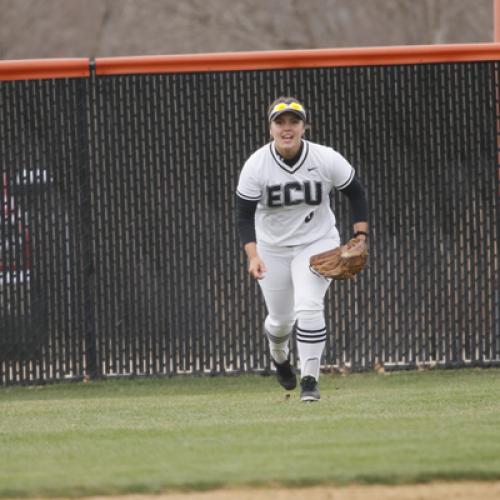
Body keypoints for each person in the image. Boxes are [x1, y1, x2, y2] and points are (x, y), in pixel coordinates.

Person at [236, 96, 368, 402]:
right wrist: (253, 254)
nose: (287, 128)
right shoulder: (256, 165)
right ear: (270, 128)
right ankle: (279, 357)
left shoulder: (324, 158)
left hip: (316, 241)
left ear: (303, 126)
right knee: (281, 321)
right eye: (279, 122)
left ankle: (310, 381)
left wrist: (360, 234)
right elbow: (243, 215)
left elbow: (356, 192)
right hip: (273, 248)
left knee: (308, 306)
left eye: (293, 121)